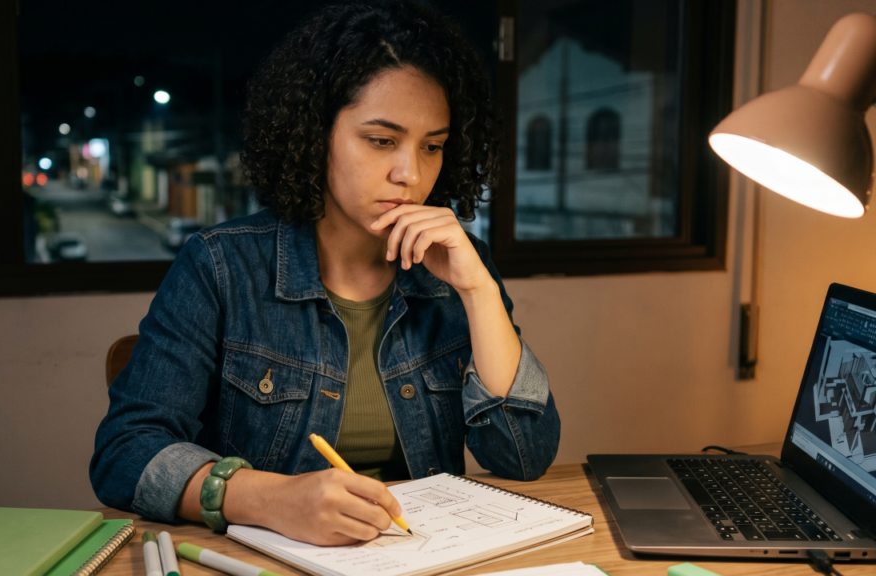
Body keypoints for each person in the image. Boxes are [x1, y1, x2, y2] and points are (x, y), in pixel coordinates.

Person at [90, 0, 560, 547]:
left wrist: (477, 290)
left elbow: (523, 457)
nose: (410, 173)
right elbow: (125, 453)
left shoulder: (457, 265)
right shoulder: (221, 266)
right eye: (381, 140)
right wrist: (268, 498)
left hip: (418, 555)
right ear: (315, 135)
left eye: (432, 146)